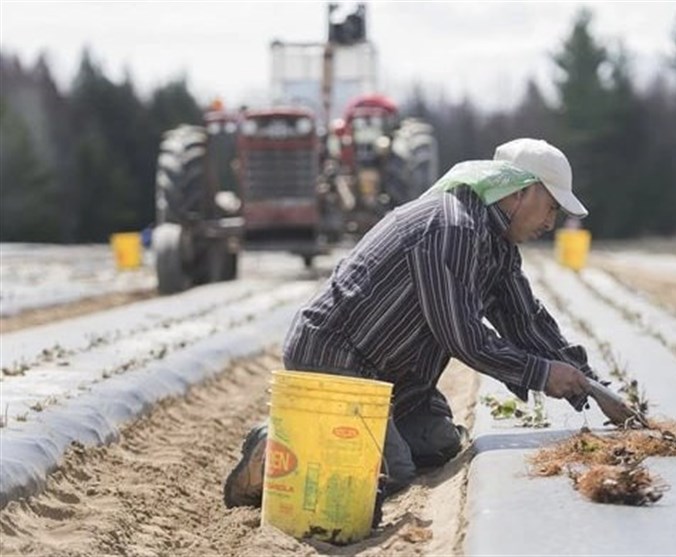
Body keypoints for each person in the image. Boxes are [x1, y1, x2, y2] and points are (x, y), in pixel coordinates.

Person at [224, 138, 606, 512]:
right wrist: (542, 374)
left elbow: (525, 320)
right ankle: (281, 443)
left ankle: (328, 431)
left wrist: (592, 385)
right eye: (551, 207)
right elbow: (463, 337)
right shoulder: (452, 227)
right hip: (336, 360)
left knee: (439, 443)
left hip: (394, 379)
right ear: (519, 192)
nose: (552, 222)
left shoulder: (497, 244)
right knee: (395, 471)